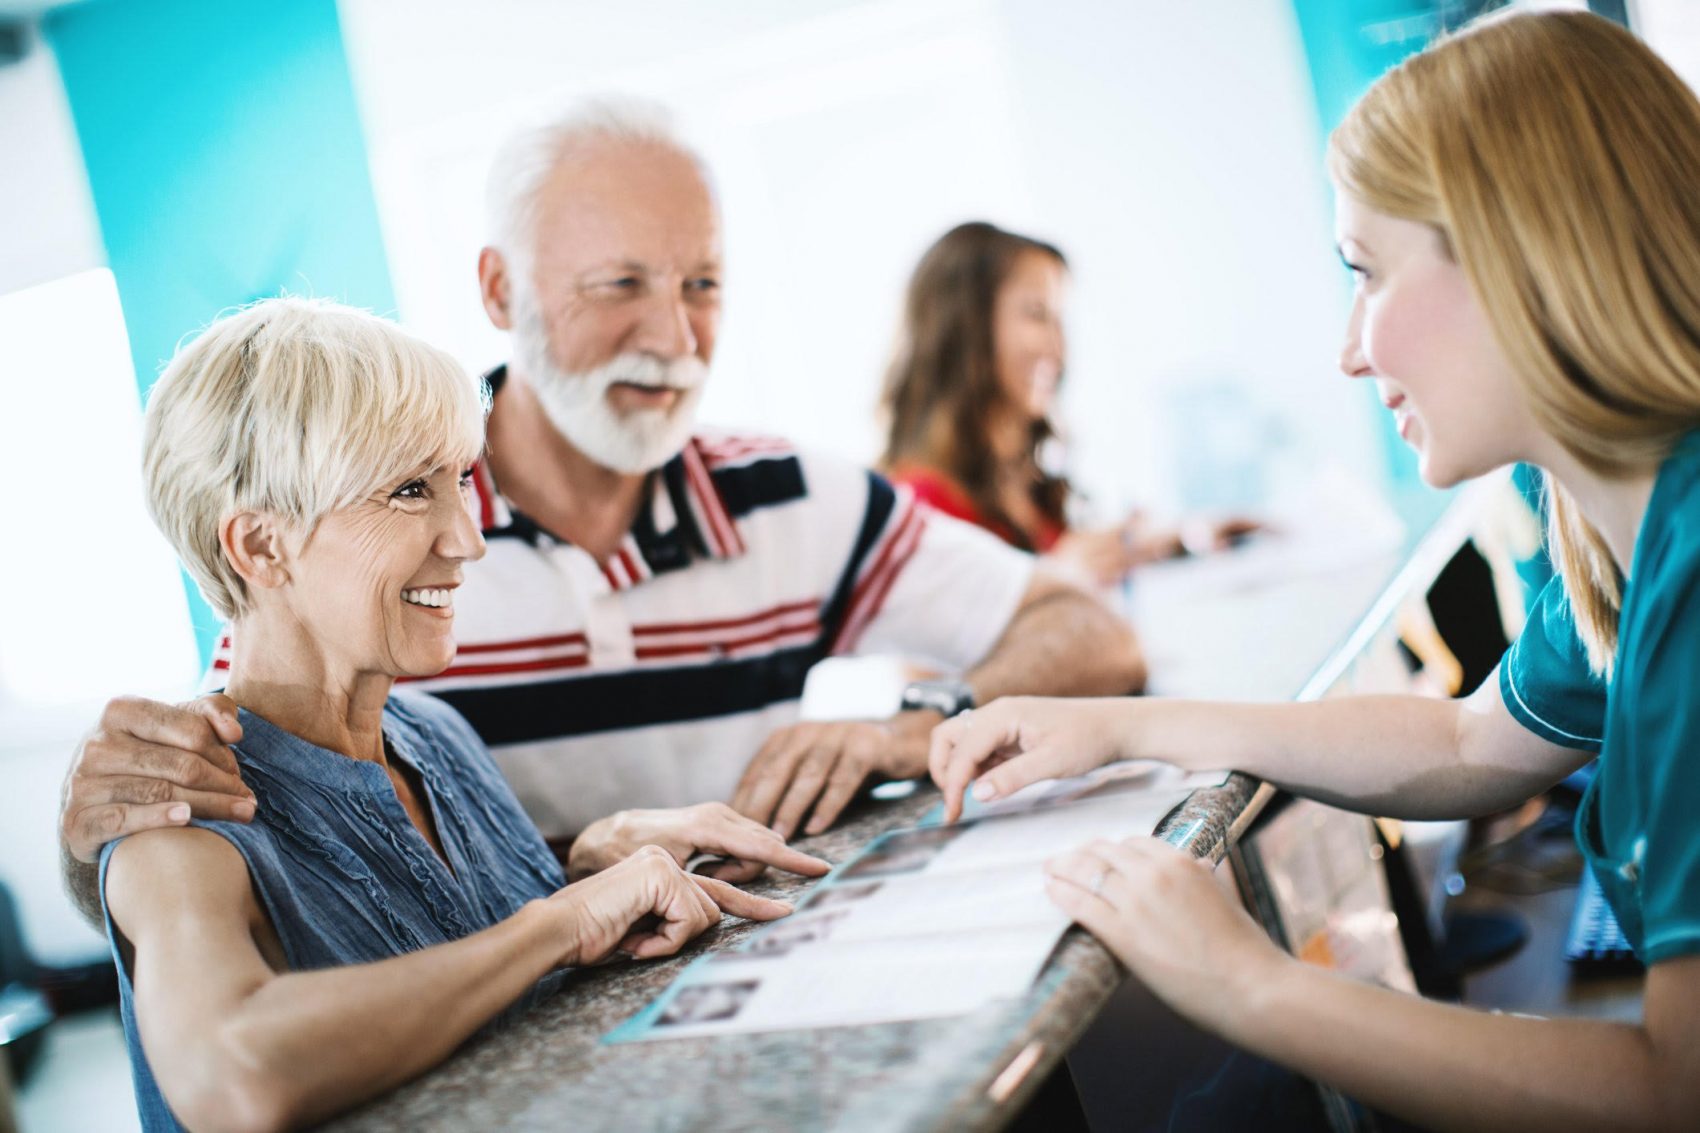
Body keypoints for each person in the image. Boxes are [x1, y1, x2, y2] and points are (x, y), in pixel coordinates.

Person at [59, 101, 1145, 921]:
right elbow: (245, 832)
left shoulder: (792, 495)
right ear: (498, 291)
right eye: (619, 285)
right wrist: (91, 841)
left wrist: (907, 727)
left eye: (701, 285)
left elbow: (1091, 636)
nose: (674, 338)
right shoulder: (371, 539)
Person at [929, 11, 1700, 1129]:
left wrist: (1246, 981)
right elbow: (1468, 741)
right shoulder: (1610, 519)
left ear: (1518, 259)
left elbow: (1674, 1090)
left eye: (1365, 272)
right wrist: (1131, 727)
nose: (1348, 347)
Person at [105, 298, 792, 1132]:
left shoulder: (437, 735)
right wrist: (560, 920)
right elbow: (233, 1073)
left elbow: (481, 981)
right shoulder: (181, 811)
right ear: (259, 547)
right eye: (408, 491)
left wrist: (584, 870)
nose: (466, 538)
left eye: (461, 479)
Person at [880, 221, 1257, 587]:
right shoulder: (919, 509)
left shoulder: (1024, 489)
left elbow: (1060, 564)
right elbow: (953, 638)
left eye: (1060, 318)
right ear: (962, 329)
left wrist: (1178, 540)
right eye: (1036, 314)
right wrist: (1053, 579)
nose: (1058, 346)